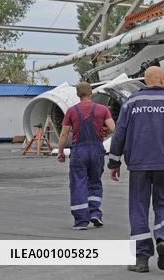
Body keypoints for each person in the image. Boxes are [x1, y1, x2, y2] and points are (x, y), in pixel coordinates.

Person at [108, 66, 164, 273]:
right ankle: (163, 239)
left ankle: (141, 259)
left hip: (138, 164)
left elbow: (119, 133)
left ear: (146, 81)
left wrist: (114, 162)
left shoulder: (131, 102)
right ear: (163, 80)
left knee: (138, 208)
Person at [57, 82, 115, 229]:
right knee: (95, 182)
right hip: (96, 150)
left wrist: (60, 152)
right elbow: (113, 127)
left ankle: (81, 221)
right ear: (91, 93)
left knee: (78, 184)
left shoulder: (71, 111)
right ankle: (95, 212)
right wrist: (105, 132)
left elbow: (64, 133)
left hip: (79, 151)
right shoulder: (102, 110)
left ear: (77, 94)